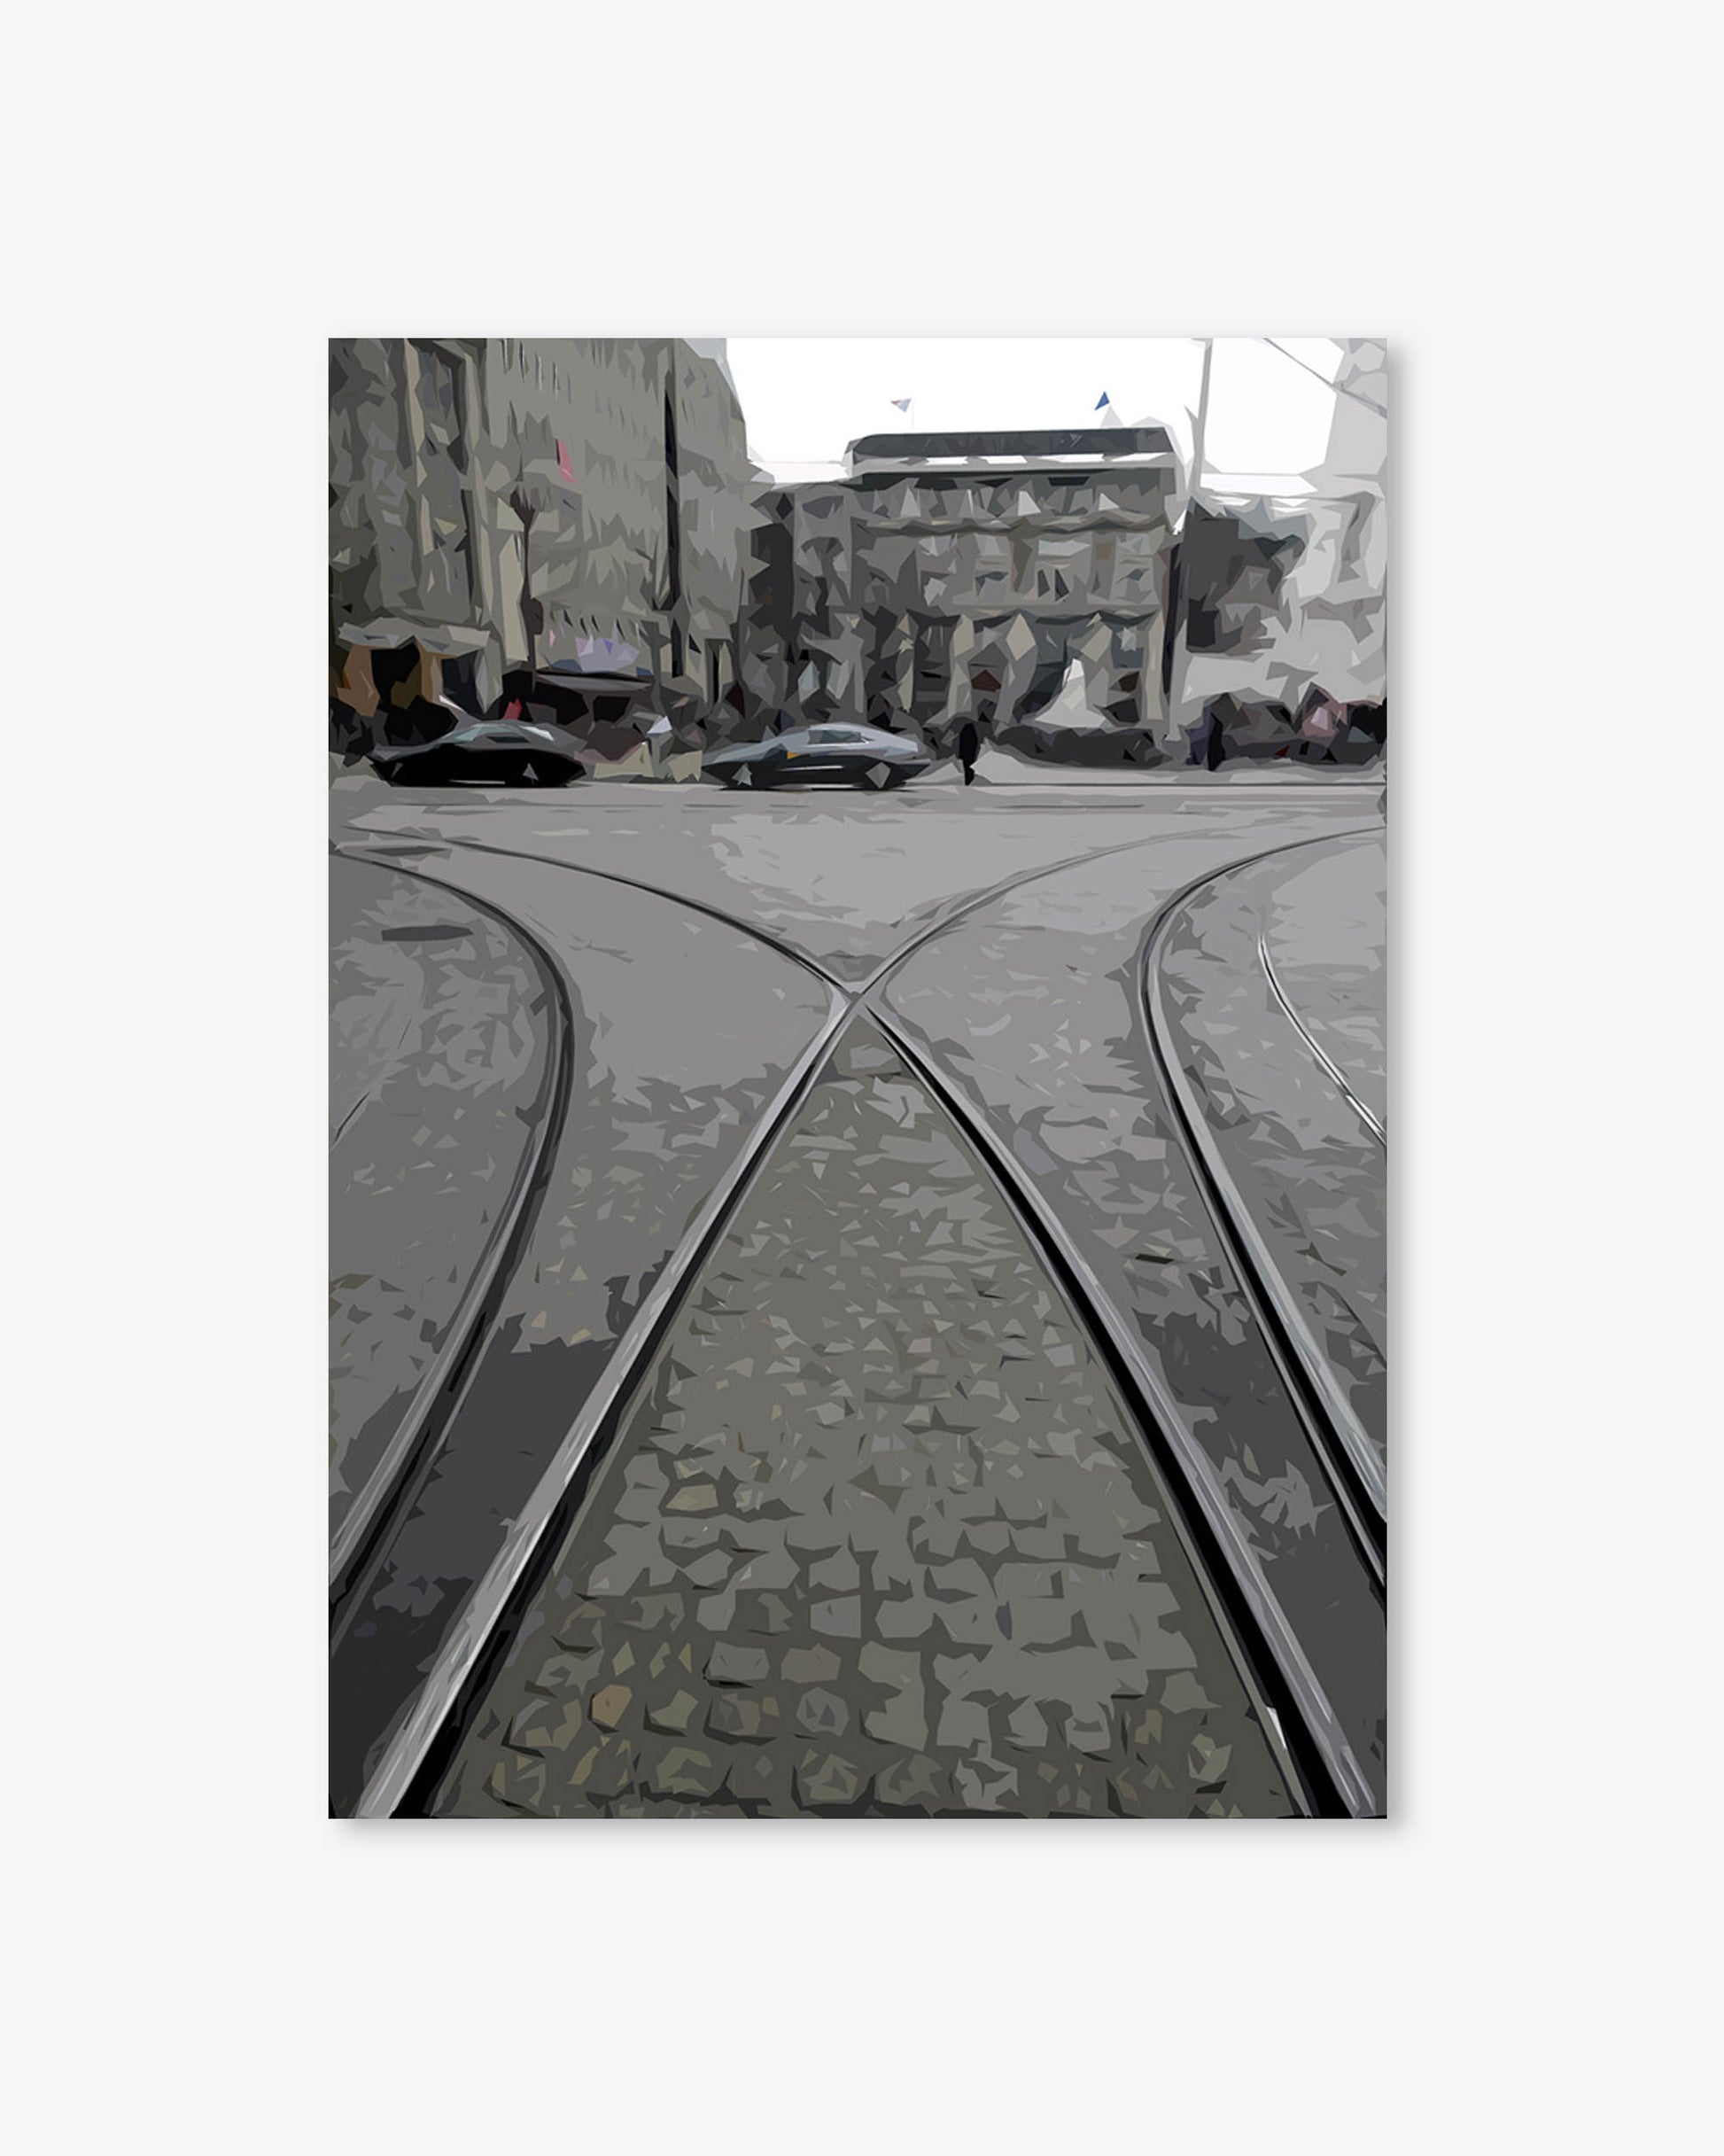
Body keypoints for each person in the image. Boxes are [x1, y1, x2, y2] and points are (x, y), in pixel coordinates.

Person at [957, 718, 981, 786]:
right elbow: (975, 742)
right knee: (970, 767)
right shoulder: (972, 733)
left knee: (966, 768)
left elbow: (961, 744)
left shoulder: (963, 732)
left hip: (966, 754)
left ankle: (968, 782)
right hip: (971, 754)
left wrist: (960, 754)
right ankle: (970, 781)